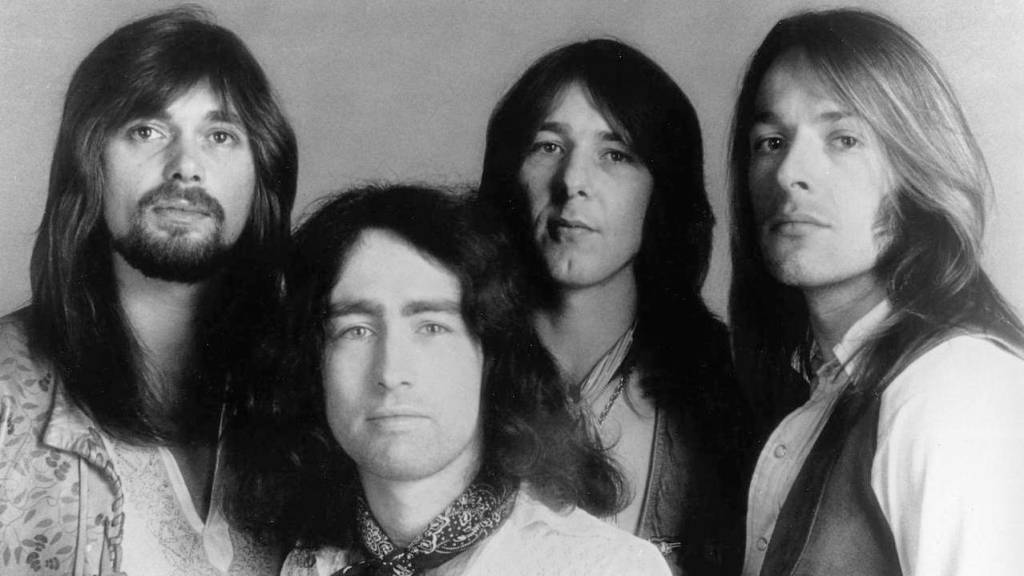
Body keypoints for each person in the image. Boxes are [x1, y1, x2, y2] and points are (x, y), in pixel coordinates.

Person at [226, 184, 671, 575]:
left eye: (431, 327)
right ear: (313, 363)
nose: (391, 373)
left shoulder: (605, 568)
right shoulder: (304, 565)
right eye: (356, 331)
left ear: (490, 355)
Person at [0, 7, 297, 575]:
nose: (186, 166)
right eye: (146, 131)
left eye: (220, 135)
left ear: (261, 173)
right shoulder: (8, 395)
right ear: (89, 161)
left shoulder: (301, 398)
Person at [729, 8, 1024, 576]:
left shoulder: (952, 389)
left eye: (843, 139)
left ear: (915, 169)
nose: (789, 172)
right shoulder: (823, 396)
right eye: (770, 141)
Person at [478, 38, 752, 574]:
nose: (572, 182)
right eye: (547, 147)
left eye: (616, 154)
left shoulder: (728, 393)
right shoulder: (447, 370)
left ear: (662, 189)